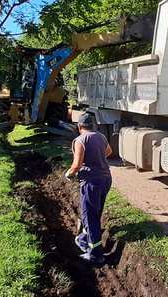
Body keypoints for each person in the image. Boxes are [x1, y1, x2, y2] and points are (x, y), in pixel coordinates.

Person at [64, 113, 113, 265]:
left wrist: (69, 174)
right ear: (93, 126)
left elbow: (77, 165)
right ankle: (85, 238)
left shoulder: (80, 140)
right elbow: (109, 152)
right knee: (95, 212)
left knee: (89, 216)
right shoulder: (101, 137)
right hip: (105, 179)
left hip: (91, 183)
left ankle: (95, 254)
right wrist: (95, 158)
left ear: (79, 127)